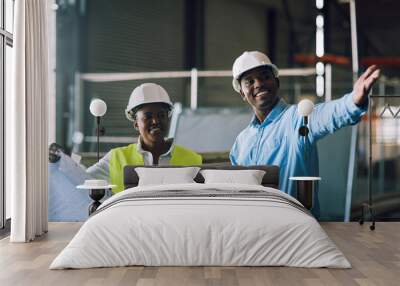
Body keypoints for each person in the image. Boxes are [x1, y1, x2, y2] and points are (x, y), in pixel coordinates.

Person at [229, 51, 380, 216]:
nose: (258, 84)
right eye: (249, 81)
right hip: (255, 227)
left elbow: (327, 114)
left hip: (297, 229)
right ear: (242, 93)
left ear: (276, 82)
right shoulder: (240, 143)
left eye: (265, 77)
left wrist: (353, 101)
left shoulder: (298, 119)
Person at [51, 83, 202, 195]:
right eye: (148, 117)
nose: (156, 121)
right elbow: (85, 179)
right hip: (129, 229)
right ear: (136, 123)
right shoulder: (116, 157)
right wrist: (62, 160)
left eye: (161, 115)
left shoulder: (191, 158)